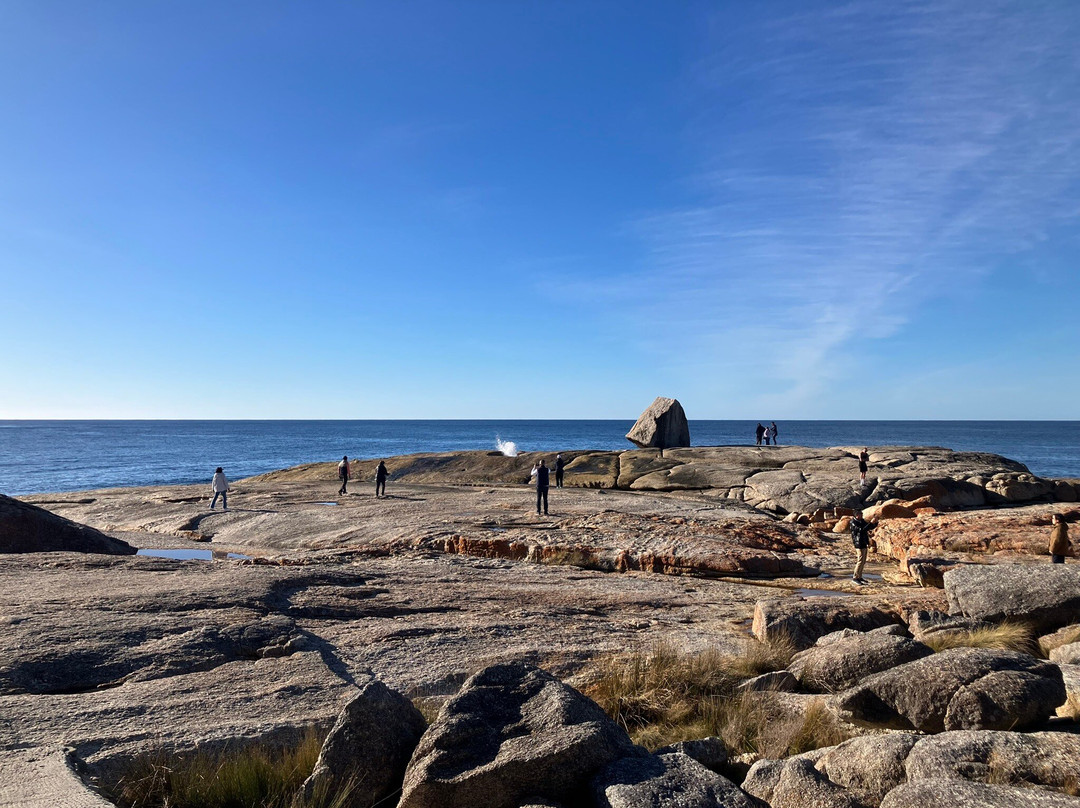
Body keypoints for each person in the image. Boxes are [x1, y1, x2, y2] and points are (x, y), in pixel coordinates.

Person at [849, 513, 875, 583]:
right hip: (858, 543)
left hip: (864, 543)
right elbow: (861, 530)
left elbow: (869, 527)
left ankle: (859, 577)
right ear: (856, 515)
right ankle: (855, 577)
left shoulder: (862, 521)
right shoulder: (853, 522)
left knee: (863, 561)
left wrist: (875, 522)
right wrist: (870, 523)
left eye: (861, 514)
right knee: (860, 560)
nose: (861, 516)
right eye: (860, 515)